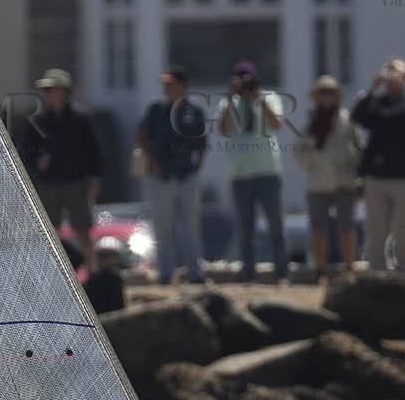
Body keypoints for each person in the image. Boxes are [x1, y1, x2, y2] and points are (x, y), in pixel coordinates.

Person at [16, 68, 104, 257]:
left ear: (64, 92)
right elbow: (26, 152)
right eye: (46, 91)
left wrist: (94, 178)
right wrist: (36, 164)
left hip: (76, 182)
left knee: (82, 228)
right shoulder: (38, 121)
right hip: (49, 183)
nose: (48, 95)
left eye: (52, 90)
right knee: (48, 230)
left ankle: (92, 270)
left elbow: (94, 151)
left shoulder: (81, 119)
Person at [351, 58, 405, 275]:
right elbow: (357, 116)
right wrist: (373, 88)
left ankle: (404, 272)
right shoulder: (376, 102)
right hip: (376, 177)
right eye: (391, 77)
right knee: (376, 229)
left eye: (398, 77)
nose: (393, 82)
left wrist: (404, 90)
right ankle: (377, 272)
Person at [215, 60, 287, 282]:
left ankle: (281, 271)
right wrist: (230, 97)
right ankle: (248, 272)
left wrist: (258, 99)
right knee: (245, 228)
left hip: (267, 171)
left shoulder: (269, 97)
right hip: (241, 173)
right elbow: (224, 130)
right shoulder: (228, 103)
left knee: (276, 224)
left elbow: (277, 124)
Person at [138, 65, 207, 283]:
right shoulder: (157, 110)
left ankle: (195, 272)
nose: (167, 89)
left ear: (183, 86)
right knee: (163, 227)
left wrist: (198, 166)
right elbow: (142, 135)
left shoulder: (194, 112)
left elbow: (201, 143)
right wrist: (152, 161)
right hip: (162, 175)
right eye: (165, 85)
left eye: (171, 85)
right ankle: (166, 272)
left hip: (186, 175)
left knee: (190, 226)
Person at [293, 75, 361, 276]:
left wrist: (350, 155)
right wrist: (312, 159)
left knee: (347, 228)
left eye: (330, 92)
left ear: (337, 96)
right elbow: (299, 152)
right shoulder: (309, 123)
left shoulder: (347, 120)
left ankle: (350, 268)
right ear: (317, 96)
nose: (327, 97)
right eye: (323, 92)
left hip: (344, 182)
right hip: (318, 184)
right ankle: (319, 270)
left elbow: (360, 148)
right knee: (319, 229)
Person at [83, 237, 126, 314]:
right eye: (102, 256)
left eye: (110, 256)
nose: (106, 260)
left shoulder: (116, 280)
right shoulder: (93, 281)